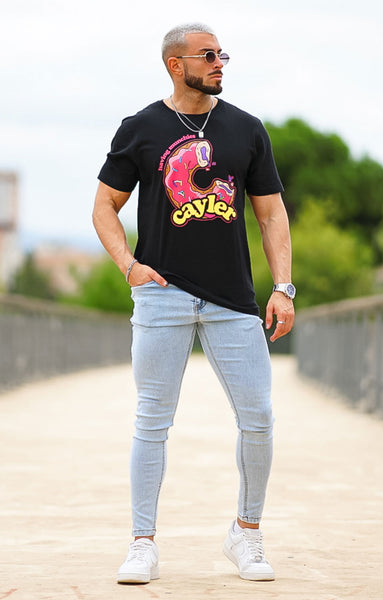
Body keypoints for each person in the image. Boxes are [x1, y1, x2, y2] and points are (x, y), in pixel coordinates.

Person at [92, 22, 295, 584]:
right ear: (175, 65)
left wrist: (283, 288)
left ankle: (246, 533)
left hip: (233, 300)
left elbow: (271, 214)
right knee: (152, 420)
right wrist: (129, 266)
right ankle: (142, 543)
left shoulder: (247, 129)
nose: (219, 63)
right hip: (162, 296)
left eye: (222, 55)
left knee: (258, 418)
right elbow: (105, 206)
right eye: (208, 56)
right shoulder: (140, 129)